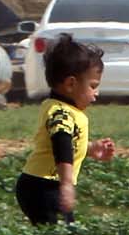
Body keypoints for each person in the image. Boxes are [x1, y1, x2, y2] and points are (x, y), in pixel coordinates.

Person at [15, 33, 115, 224]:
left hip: (42, 184)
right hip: (43, 186)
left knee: (62, 234)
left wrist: (90, 148)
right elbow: (61, 146)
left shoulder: (65, 110)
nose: (96, 93)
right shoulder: (60, 112)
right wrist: (66, 184)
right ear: (70, 84)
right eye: (93, 86)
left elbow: (70, 143)